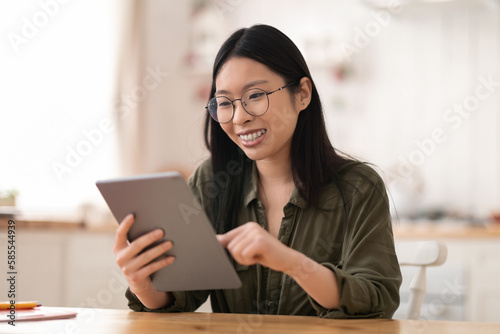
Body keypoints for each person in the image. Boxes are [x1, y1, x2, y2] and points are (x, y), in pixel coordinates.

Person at [114, 24, 402, 319]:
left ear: (302, 94)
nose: (239, 118)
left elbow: (377, 300)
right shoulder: (211, 182)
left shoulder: (359, 188)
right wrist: (142, 284)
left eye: (255, 96)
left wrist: (291, 263)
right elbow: (183, 293)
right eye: (225, 103)